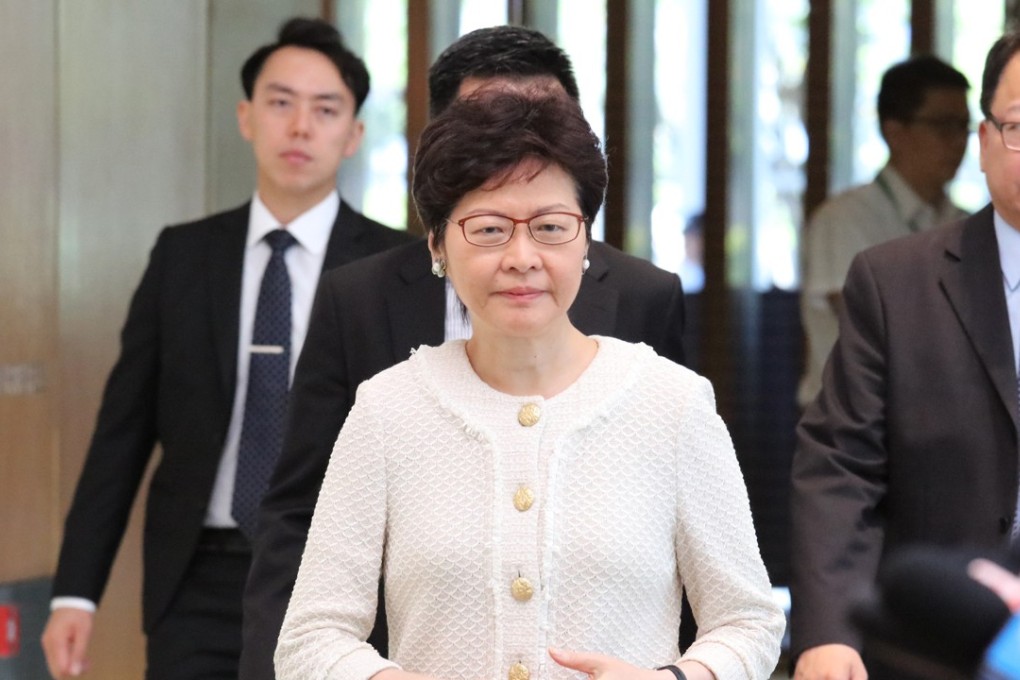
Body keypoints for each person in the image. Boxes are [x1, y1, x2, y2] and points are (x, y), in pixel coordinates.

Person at [275, 88, 783, 680]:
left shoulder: (671, 404)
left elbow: (749, 620)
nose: (521, 256)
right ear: (437, 244)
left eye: (549, 226)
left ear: (586, 237)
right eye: (489, 229)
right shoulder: (388, 410)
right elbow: (311, 637)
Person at [239, 25, 688, 680]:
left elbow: (693, 541)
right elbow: (299, 512)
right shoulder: (358, 300)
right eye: (492, 126)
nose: (516, 147)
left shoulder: (646, 299)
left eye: (539, 125)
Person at [39, 17, 412, 680]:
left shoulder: (391, 267)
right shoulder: (183, 255)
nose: (300, 126)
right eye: (280, 102)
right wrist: (75, 591)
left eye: (325, 110)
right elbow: (120, 435)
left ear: (353, 134)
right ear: (246, 117)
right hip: (196, 576)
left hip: (334, 575)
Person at [790, 33, 1020, 680]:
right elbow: (841, 468)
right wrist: (828, 633)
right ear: (984, 139)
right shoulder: (895, 279)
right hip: (935, 638)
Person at [798, 55, 971, 407]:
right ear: (894, 131)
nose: (958, 142)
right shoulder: (844, 218)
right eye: (943, 126)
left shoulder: (968, 224)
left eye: (964, 127)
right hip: (852, 430)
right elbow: (872, 326)